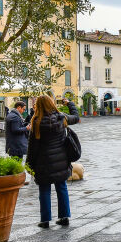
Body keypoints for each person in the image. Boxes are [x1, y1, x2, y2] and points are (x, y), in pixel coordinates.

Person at [25, 95, 72, 229]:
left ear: (38, 106)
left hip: (43, 161)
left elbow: (32, 146)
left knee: (44, 190)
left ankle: (45, 220)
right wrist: (69, 104)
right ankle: (64, 217)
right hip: (60, 159)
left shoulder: (37, 122)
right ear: (51, 104)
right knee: (62, 188)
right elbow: (75, 116)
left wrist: (29, 164)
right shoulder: (60, 118)